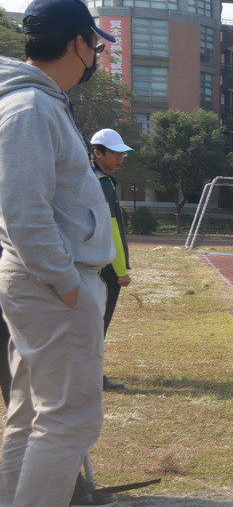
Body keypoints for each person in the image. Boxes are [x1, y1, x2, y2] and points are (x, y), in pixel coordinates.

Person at [0, 0, 117, 507]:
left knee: (30, 410)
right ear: (78, 43)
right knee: (68, 416)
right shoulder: (29, 109)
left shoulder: (37, 104)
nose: (96, 54)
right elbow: (24, 209)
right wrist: (69, 285)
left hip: (45, 284)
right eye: (95, 43)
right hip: (53, 285)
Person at [89, 128, 134, 392]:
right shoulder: (102, 183)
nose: (120, 158)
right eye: (115, 154)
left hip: (89, 262)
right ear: (98, 153)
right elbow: (111, 227)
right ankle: (93, 376)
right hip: (105, 267)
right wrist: (120, 270)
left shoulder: (87, 176)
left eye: (123, 154)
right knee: (98, 323)